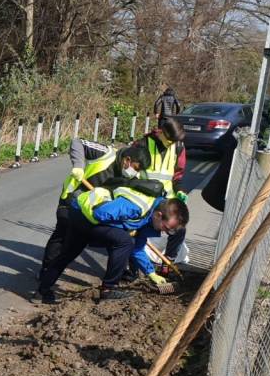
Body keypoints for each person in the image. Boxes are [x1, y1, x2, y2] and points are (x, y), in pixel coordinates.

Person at [34, 185, 190, 304]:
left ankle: (42, 291)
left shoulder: (149, 218)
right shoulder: (137, 207)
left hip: (83, 214)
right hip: (83, 214)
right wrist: (124, 227)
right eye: (166, 228)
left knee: (68, 254)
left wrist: (151, 273)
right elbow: (100, 213)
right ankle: (108, 290)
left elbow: (137, 249)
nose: (164, 232)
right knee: (124, 241)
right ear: (159, 215)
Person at [35, 140, 158, 284]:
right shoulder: (106, 154)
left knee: (117, 239)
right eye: (135, 168)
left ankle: (116, 275)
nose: (135, 173)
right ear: (127, 160)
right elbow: (77, 142)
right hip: (72, 200)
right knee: (62, 234)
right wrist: (78, 166)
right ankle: (46, 272)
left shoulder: (129, 177)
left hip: (94, 210)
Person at [134, 118, 189, 272]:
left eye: (174, 142)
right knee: (137, 234)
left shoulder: (178, 147)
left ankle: (167, 264)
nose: (171, 144)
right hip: (143, 199)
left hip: (166, 201)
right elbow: (130, 172)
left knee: (179, 229)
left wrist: (180, 190)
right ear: (162, 132)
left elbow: (177, 175)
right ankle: (133, 271)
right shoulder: (143, 144)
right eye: (169, 140)